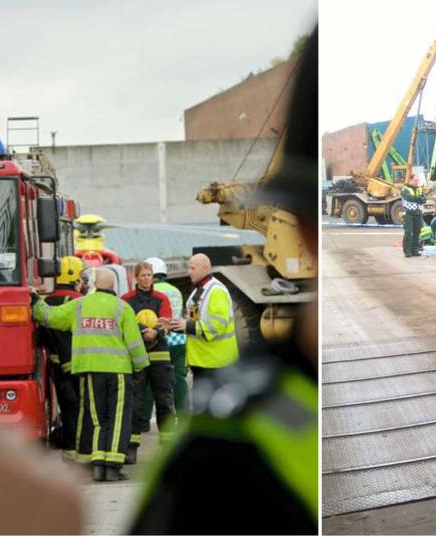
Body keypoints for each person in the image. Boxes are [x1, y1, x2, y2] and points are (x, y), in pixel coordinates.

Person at [130, 26, 318, 534]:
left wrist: (178, 332)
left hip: (208, 363)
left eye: (190, 269)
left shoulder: (221, 450)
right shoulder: (233, 435)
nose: (185, 273)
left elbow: (213, 329)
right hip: (199, 366)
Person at [32, 269, 148, 482]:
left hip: (89, 371)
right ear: (113, 286)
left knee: (97, 419)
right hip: (118, 371)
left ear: (94, 283)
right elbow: (134, 343)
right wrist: (140, 366)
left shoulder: (80, 305)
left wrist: (33, 299)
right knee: (117, 418)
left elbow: (49, 316)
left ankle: (97, 465)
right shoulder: (122, 308)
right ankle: (112, 467)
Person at [121, 261, 176, 464]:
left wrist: (157, 331)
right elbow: (124, 321)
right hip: (137, 357)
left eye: (149, 275)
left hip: (160, 357)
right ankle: (131, 448)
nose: (146, 279)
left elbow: (167, 320)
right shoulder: (126, 299)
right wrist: (144, 330)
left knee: (164, 401)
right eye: (142, 275)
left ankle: (168, 448)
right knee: (135, 403)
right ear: (136, 277)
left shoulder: (161, 298)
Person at [40, 256, 85, 461]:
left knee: (66, 408)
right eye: (82, 276)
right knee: (83, 407)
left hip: (55, 365)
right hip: (77, 364)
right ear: (74, 276)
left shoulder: (46, 302)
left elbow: (41, 336)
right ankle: (81, 450)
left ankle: (69, 452)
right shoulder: (77, 301)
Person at [168, 253, 238, 382]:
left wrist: (188, 325)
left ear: (206, 269)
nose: (189, 272)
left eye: (192, 268)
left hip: (216, 363)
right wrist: (174, 325)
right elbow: (194, 319)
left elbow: (217, 326)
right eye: (188, 268)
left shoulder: (216, 291)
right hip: (203, 360)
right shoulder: (200, 289)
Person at [145, 256, 189, 413]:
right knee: (179, 380)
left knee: (150, 381)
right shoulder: (175, 290)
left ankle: (143, 421)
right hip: (179, 340)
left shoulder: (152, 292)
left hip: (160, 342)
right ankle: (183, 415)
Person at [400, 174, 426, 257]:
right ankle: (407, 251)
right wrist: (418, 199)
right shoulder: (405, 189)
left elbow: (424, 199)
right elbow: (408, 198)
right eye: (415, 180)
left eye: (417, 180)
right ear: (410, 180)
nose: (416, 182)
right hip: (408, 213)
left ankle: (414, 250)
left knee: (417, 232)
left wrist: (418, 199)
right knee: (408, 232)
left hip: (417, 213)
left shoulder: (419, 189)